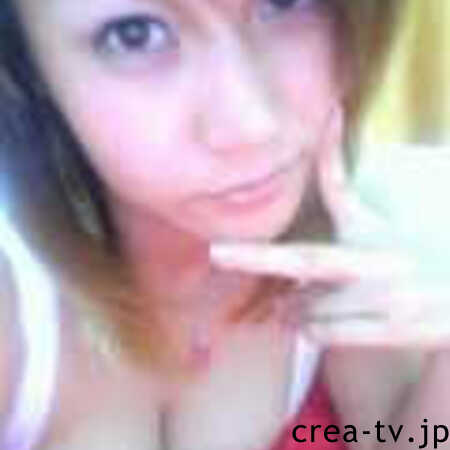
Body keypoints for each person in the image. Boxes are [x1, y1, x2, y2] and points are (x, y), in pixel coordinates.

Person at [0, 1, 422, 449]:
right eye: (135, 34)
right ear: (26, 64)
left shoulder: (350, 243)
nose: (252, 125)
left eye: (282, 1)